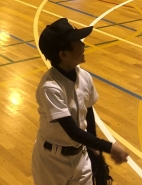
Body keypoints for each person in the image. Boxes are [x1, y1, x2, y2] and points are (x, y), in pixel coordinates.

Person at [32, 18, 129, 185]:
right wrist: (110, 147)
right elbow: (73, 131)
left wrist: (96, 152)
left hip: (80, 158)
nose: (83, 45)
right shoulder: (50, 88)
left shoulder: (85, 77)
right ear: (64, 54)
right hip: (51, 163)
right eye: (77, 42)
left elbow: (88, 114)